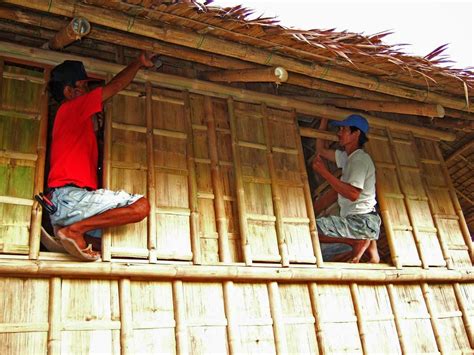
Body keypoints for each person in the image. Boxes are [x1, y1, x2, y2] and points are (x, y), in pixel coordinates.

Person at [46, 52, 154, 261]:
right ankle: (72, 231)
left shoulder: (75, 121)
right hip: (70, 198)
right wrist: (138, 62)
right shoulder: (72, 107)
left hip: (63, 203)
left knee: (105, 245)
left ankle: (67, 232)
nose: (88, 92)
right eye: (84, 87)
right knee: (141, 206)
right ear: (69, 91)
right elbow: (114, 87)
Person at [312, 114, 380, 263]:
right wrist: (323, 119)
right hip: (362, 221)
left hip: (360, 222)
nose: (339, 133)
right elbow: (320, 150)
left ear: (356, 134)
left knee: (312, 229)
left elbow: (353, 193)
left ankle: (355, 242)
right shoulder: (347, 158)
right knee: (324, 253)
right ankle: (366, 246)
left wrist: (324, 172)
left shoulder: (359, 160)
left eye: (344, 129)